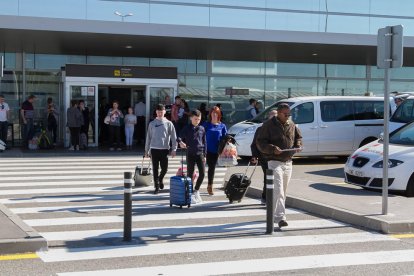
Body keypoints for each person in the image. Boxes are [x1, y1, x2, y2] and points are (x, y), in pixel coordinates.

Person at [256, 103, 303, 228]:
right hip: (274, 161)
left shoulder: (291, 124)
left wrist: (298, 145)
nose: (288, 116)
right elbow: (260, 143)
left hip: (288, 162)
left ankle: (272, 213)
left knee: (283, 191)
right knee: (279, 189)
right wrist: (272, 149)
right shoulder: (268, 125)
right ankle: (281, 217)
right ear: (278, 113)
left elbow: (298, 137)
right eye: (285, 114)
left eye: (289, 114)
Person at [145, 104, 177, 194]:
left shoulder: (169, 123)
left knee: (164, 169)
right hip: (154, 149)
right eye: (158, 112)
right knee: (155, 168)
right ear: (156, 112)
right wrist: (146, 150)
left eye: (161, 112)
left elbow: (174, 137)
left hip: (164, 149)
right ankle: (156, 186)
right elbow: (148, 137)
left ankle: (160, 179)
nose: (160, 113)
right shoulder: (152, 123)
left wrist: (174, 149)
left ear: (164, 112)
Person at [177, 110, 206, 204]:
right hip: (190, 154)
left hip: (200, 153)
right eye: (195, 119)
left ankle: (196, 190)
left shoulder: (202, 128)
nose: (197, 121)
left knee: (202, 174)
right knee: (190, 175)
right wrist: (180, 142)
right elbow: (179, 137)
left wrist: (205, 155)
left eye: (199, 119)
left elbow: (205, 142)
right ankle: (190, 193)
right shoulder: (187, 128)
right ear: (191, 118)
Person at [250, 109, 277, 204]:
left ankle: (271, 197)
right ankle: (265, 197)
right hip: (264, 157)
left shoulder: (280, 129)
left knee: (275, 178)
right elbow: (254, 144)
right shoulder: (261, 129)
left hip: (277, 158)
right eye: (272, 116)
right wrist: (254, 156)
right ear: (268, 117)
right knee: (268, 176)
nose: (274, 118)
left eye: (276, 116)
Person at [203, 106, 227, 195]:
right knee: (207, 168)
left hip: (217, 151)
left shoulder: (222, 125)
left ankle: (210, 185)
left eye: (216, 113)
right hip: (206, 150)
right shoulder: (206, 124)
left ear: (219, 114)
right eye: (213, 113)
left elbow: (225, 137)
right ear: (210, 114)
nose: (214, 115)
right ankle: (205, 185)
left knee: (212, 168)